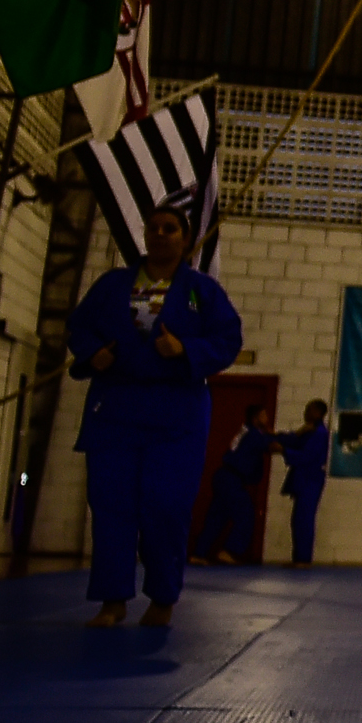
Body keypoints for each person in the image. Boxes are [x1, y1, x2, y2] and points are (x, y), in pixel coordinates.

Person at [69, 202, 245, 629]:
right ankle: (112, 601)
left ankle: (162, 599)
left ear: (185, 240)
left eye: (171, 228)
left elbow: (229, 339)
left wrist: (186, 350)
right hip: (115, 409)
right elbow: (79, 326)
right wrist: (94, 353)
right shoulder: (113, 285)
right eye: (154, 228)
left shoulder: (201, 292)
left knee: (165, 507)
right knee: (111, 508)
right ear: (144, 236)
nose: (161, 234)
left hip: (175, 414)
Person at [200, 404, 275, 565]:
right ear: (256, 418)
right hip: (232, 479)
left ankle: (200, 553)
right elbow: (271, 445)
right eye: (264, 415)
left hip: (224, 476)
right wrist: (289, 439)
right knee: (245, 514)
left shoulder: (246, 431)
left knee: (217, 516)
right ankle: (230, 550)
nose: (267, 418)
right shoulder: (254, 436)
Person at [279, 399, 332, 567]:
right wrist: (297, 434)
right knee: (298, 520)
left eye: (308, 410)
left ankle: (303, 559)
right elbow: (295, 442)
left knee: (304, 519)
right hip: (304, 479)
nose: (305, 413)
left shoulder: (319, 434)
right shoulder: (309, 431)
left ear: (318, 412)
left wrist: (283, 450)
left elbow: (306, 457)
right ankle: (299, 557)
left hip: (310, 479)